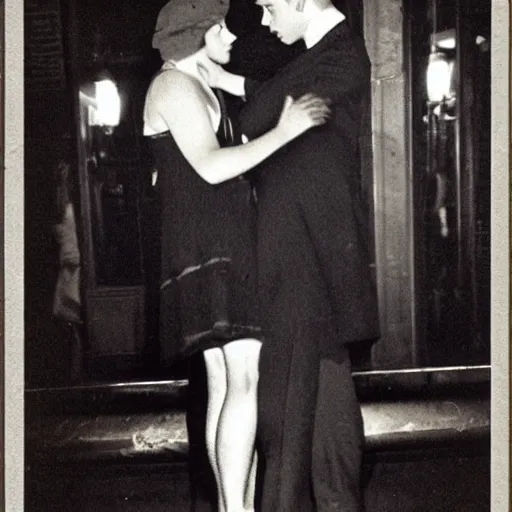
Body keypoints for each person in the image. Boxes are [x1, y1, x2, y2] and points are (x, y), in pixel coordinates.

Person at [143, 3, 331, 511]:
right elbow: (208, 166)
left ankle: (235, 504)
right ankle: (236, 507)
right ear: (194, 32)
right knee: (242, 377)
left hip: (215, 242)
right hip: (210, 247)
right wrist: (284, 132)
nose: (232, 34)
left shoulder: (193, 81)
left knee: (228, 382)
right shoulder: (173, 86)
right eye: (221, 27)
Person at [203, 0, 380, 510]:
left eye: (270, 5)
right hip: (313, 258)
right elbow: (267, 95)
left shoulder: (341, 55)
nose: (263, 18)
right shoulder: (320, 56)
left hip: (305, 257)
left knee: (285, 411)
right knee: (327, 407)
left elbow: (259, 114)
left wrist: (220, 80)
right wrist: (206, 71)